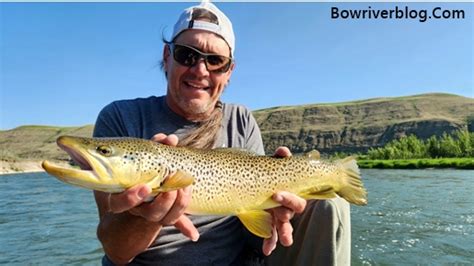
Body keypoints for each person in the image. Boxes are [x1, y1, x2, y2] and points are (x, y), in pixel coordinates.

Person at [92, 2, 351, 265]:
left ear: (229, 72)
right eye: (187, 55)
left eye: (215, 61)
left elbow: (253, 216)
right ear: (167, 57)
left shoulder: (240, 119)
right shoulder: (121, 118)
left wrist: (276, 214)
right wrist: (144, 215)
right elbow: (116, 252)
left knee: (331, 205)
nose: (200, 70)